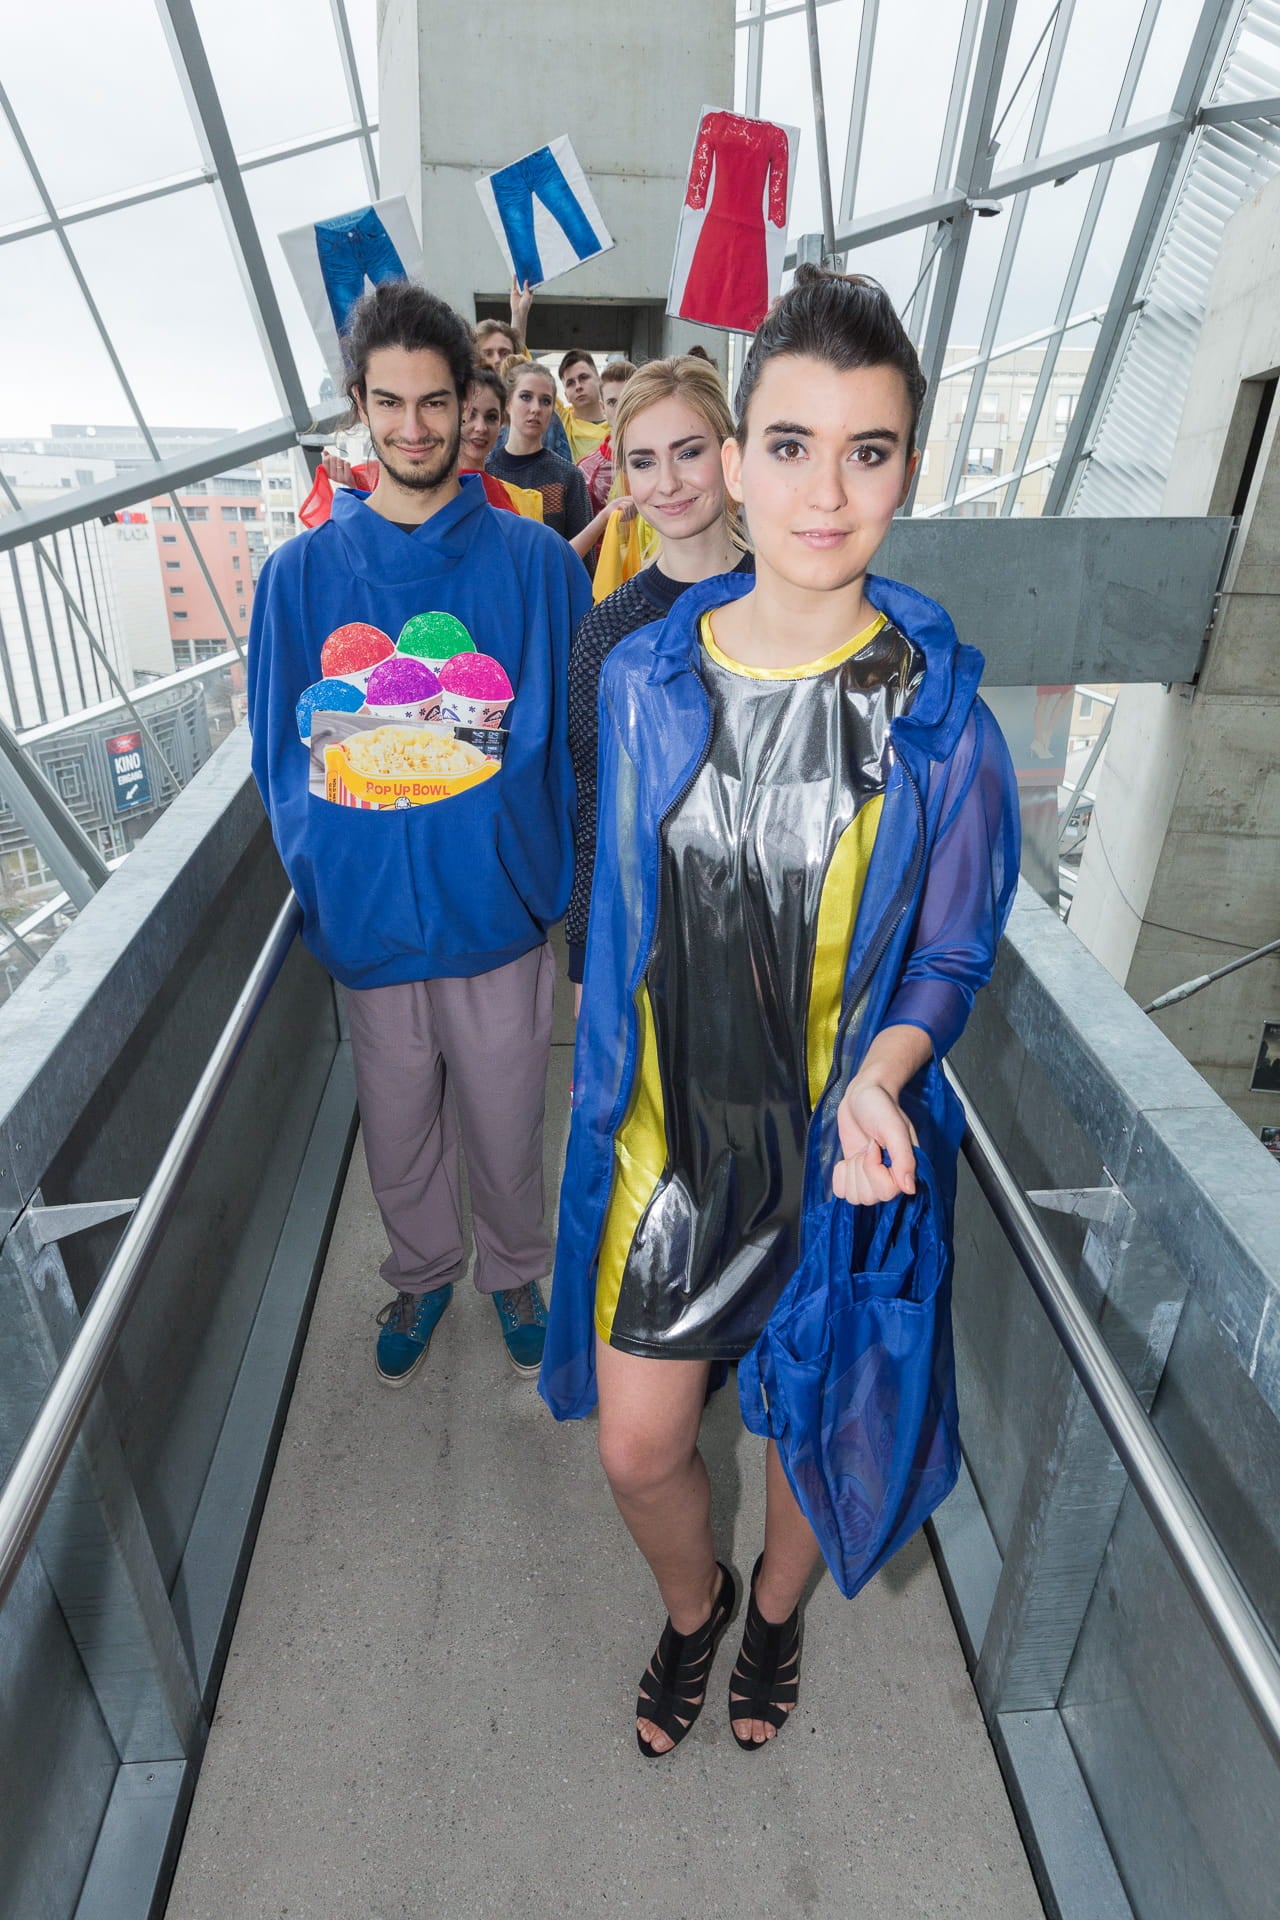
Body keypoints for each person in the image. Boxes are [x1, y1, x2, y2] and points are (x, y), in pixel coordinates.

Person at [540, 267, 1019, 1756]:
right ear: (737, 461)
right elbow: (628, 924)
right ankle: (695, 1612)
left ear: (905, 472)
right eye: (793, 444)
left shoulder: (945, 722)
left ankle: (775, 1619)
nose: (828, 489)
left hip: (838, 1157)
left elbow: (950, 955)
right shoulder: (646, 678)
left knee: (814, 1437)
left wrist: (884, 1078)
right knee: (639, 1448)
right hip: (670, 1153)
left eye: (867, 450)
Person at [248, 280, 590, 1385]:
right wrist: (333, 883)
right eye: (388, 403)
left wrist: (542, 884)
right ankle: (421, 1268)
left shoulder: (535, 563)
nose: (411, 427)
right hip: (372, 926)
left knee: (504, 1116)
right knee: (396, 1126)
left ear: (467, 406)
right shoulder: (296, 577)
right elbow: (276, 758)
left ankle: (514, 1267)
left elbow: (573, 741)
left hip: (494, 913)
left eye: (433, 403)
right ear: (358, 403)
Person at [565, 354, 752, 994]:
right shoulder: (607, 629)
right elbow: (594, 804)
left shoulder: (796, 605)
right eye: (643, 462)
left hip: (773, 934)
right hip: (648, 942)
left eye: (688, 452)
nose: (667, 482)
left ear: (731, 457)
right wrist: (592, 963)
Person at [486, 358, 596, 547]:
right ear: (507, 403)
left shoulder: (569, 477)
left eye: (545, 401)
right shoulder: (485, 473)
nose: (536, 409)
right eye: (526, 397)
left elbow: (583, 564)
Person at [578, 359, 637, 512]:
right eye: (612, 402)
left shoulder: (663, 460)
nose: (621, 410)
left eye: (628, 400)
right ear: (602, 407)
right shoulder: (586, 470)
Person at [558, 348, 611, 462]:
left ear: (599, 381)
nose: (578, 386)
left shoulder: (619, 422)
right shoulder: (561, 419)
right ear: (566, 395)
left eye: (583, 377)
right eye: (570, 383)